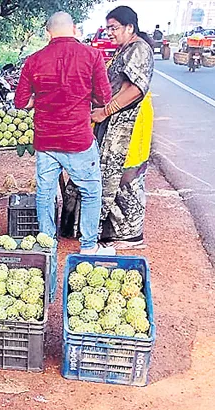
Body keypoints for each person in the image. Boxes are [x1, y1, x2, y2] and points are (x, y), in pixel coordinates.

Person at [14, 12, 115, 255]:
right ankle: (89, 247)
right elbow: (104, 98)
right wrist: (84, 95)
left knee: (45, 194)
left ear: (48, 32)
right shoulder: (92, 56)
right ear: (75, 29)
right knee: (91, 192)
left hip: (46, 141)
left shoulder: (34, 60)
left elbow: (20, 102)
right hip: (78, 140)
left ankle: (48, 245)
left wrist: (39, 99)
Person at [88, 6, 154, 250]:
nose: (110, 33)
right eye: (108, 29)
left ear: (130, 27)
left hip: (131, 121)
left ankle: (131, 235)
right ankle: (113, 230)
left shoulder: (139, 49)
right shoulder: (124, 49)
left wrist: (105, 111)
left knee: (128, 175)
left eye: (114, 28)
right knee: (113, 174)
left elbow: (136, 89)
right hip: (117, 120)